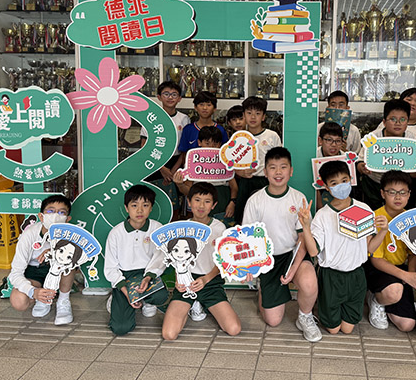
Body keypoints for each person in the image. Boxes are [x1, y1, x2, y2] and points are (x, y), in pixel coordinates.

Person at [298, 160, 388, 334]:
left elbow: (370, 248)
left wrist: (383, 231)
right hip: (331, 276)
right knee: (333, 329)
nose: (341, 186)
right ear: (326, 187)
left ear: (351, 179)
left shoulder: (363, 209)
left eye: (344, 180)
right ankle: (321, 309)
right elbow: (314, 251)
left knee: (347, 329)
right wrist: (306, 227)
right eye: (334, 183)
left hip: (356, 275)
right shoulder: (323, 215)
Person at [242, 147, 321, 342]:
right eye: (273, 167)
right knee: (273, 321)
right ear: (265, 172)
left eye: (283, 167)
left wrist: (293, 269)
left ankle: (305, 316)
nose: (278, 172)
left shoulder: (299, 198)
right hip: (267, 259)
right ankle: (264, 287)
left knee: (309, 281)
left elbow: (302, 239)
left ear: (291, 171)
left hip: (293, 255)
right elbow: (247, 239)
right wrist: (248, 266)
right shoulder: (255, 201)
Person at [152, 182, 241, 340]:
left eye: (207, 202)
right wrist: (179, 280)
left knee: (233, 328)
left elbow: (223, 261)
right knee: (169, 334)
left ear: (213, 205)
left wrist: (206, 279)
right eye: (197, 200)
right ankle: (191, 305)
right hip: (186, 282)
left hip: (211, 282)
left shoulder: (220, 228)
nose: (201, 206)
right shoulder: (180, 228)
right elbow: (175, 259)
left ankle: (202, 304)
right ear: (189, 202)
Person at [104, 185, 169, 336]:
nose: (139, 210)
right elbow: (110, 267)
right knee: (120, 328)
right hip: (125, 278)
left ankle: (147, 300)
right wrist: (127, 292)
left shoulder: (157, 228)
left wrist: (148, 277)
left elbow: (160, 257)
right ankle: (117, 298)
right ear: (126, 208)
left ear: (151, 208)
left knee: (161, 296)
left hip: (147, 274)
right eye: (134, 205)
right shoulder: (116, 233)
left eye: (145, 205)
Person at [365, 171, 416, 331]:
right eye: (392, 192)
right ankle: (376, 299)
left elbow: (413, 253)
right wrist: (405, 276)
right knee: (394, 292)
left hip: (401, 269)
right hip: (377, 268)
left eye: (403, 192)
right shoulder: (375, 217)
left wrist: (410, 275)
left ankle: (388, 298)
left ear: (409, 194)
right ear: (382, 193)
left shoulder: (411, 219)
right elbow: (375, 259)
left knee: (407, 325)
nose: (398, 197)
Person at [8, 194, 75, 325]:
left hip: (59, 273)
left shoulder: (71, 234)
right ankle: (42, 298)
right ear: (41, 216)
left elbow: (77, 259)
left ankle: (63, 301)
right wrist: (32, 291)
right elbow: (15, 273)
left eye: (61, 212)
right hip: (34, 272)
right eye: (50, 211)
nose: (55, 215)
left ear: (67, 219)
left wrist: (54, 252)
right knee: (18, 301)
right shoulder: (29, 235)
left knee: (68, 262)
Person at [140, 81, 190, 218]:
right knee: (152, 201)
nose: (170, 97)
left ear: (179, 98)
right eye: (166, 94)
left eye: (174, 94)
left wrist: (173, 171)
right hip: (154, 163)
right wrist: (161, 168)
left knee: (175, 204)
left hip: (176, 163)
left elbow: (184, 149)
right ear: (159, 97)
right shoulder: (151, 117)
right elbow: (144, 146)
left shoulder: (184, 119)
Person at [356, 98, 415, 210]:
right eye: (393, 119)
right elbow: (360, 162)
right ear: (384, 122)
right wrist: (362, 167)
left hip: (400, 187)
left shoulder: (411, 139)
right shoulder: (374, 137)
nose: (398, 123)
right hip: (374, 183)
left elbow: (414, 165)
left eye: (403, 119)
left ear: (407, 122)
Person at [234, 96, 282, 222]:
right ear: (244, 115)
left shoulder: (272, 136)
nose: (253, 117)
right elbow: (231, 164)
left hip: (266, 181)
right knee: (243, 217)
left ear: (263, 116)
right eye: (249, 113)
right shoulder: (239, 137)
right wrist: (240, 172)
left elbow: (279, 162)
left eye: (258, 113)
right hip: (245, 182)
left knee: (267, 217)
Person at [173, 126, 237, 218]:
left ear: (220, 144)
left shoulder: (225, 160)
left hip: (222, 200)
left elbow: (234, 186)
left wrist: (232, 202)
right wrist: (180, 184)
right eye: (207, 143)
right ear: (199, 142)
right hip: (200, 202)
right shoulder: (193, 161)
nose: (211, 147)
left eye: (215, 144)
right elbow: (188, 191)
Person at [173, 91, 228, 173]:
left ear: (214, 108)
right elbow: (184, 154)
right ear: (195, 107)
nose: (205, 108)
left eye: (209, 105)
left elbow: (225, 153)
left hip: (215, 172)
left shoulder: (221, 130)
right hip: (193, 173)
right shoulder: (188, 129)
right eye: (201, 104)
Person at [317, 90, 362, 155]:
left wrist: (345, 152)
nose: (337, 108)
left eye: (341, 105)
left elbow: (357, 155)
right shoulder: (318, 128)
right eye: (333, 105)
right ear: (328, 107)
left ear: (347, 108)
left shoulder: (354, 130)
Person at [315, 122, 345, 210]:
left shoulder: (345, 159)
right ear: (320, 140)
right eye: (329, 140)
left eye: (338, 141)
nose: (334, 145)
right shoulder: (314, 156)